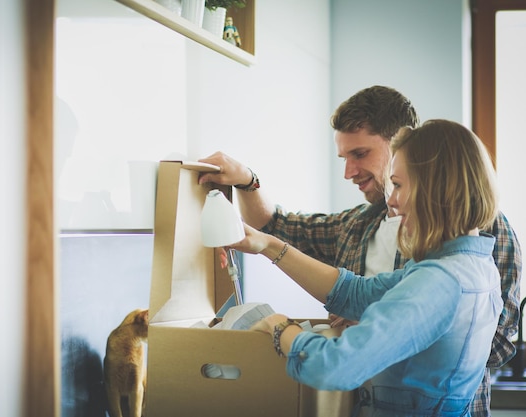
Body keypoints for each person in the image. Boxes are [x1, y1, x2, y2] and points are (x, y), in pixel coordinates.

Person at [197, 86, 522, 416]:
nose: (391, 201)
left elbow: (336, 364)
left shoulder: (445, 275)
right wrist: (259, 219)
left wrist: (283, 325)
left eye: (361, 154)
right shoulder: (460, 259)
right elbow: (350, 287)